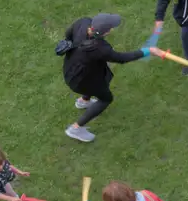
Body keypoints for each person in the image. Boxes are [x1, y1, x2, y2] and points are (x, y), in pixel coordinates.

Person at [61, 13, 150, 143]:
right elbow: (121, 59)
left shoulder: (83, 22)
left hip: (71, 69)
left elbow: (68, 34)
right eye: (110, 28)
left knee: (97, 80)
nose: (112, 29)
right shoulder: (100, 48)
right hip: (80, 81)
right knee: (106, 98)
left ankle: (84, 101)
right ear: (104, 33)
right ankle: (75, 129)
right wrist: (147, 51)